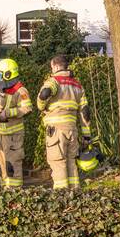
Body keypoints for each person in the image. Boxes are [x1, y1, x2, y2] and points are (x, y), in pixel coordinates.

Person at [37, 55, 91, 189]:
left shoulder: (54, 81)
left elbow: (44, 94)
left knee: (58, 162)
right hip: (72, 130)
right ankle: (75, 194)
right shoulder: (77, 84)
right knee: (71, 162)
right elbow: (85, 112)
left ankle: (61, 196)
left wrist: (41, 106)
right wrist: (86, 136)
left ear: (55, 66)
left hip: (56, 130)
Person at [0, 58, 32, 188]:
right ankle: (5, 193)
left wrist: (7, 113)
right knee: (0, 165)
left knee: (12, 165)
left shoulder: (20, 90)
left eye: (0, 73)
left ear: (8, 74)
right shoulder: (0, 89)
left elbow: (27, 108)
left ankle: (15, 194)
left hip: (13, 135)